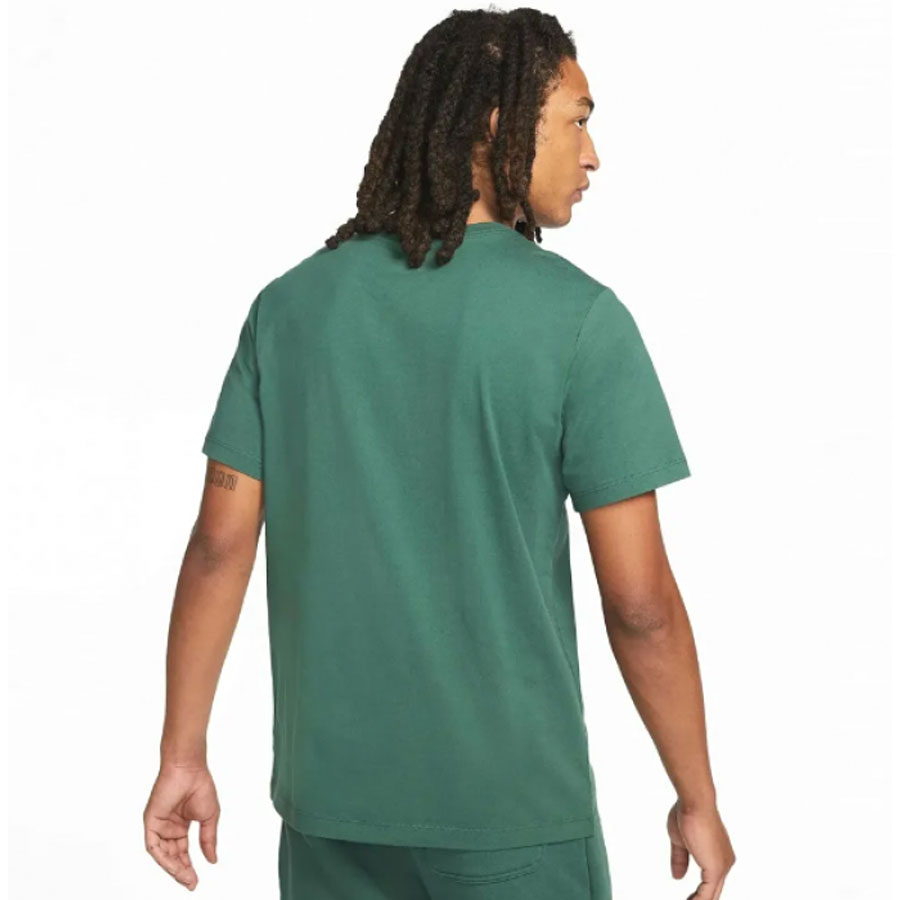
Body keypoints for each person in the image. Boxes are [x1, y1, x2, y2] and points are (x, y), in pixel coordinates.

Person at [143, 7, 735, 899]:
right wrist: (697, 795)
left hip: (331, 815)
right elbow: (640, 603)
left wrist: (182, 753)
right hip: (513, 818)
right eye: (576, 120)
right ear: (498, 123)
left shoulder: (289, 310)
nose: (592, 155)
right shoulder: (580, 321)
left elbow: (219, 546)